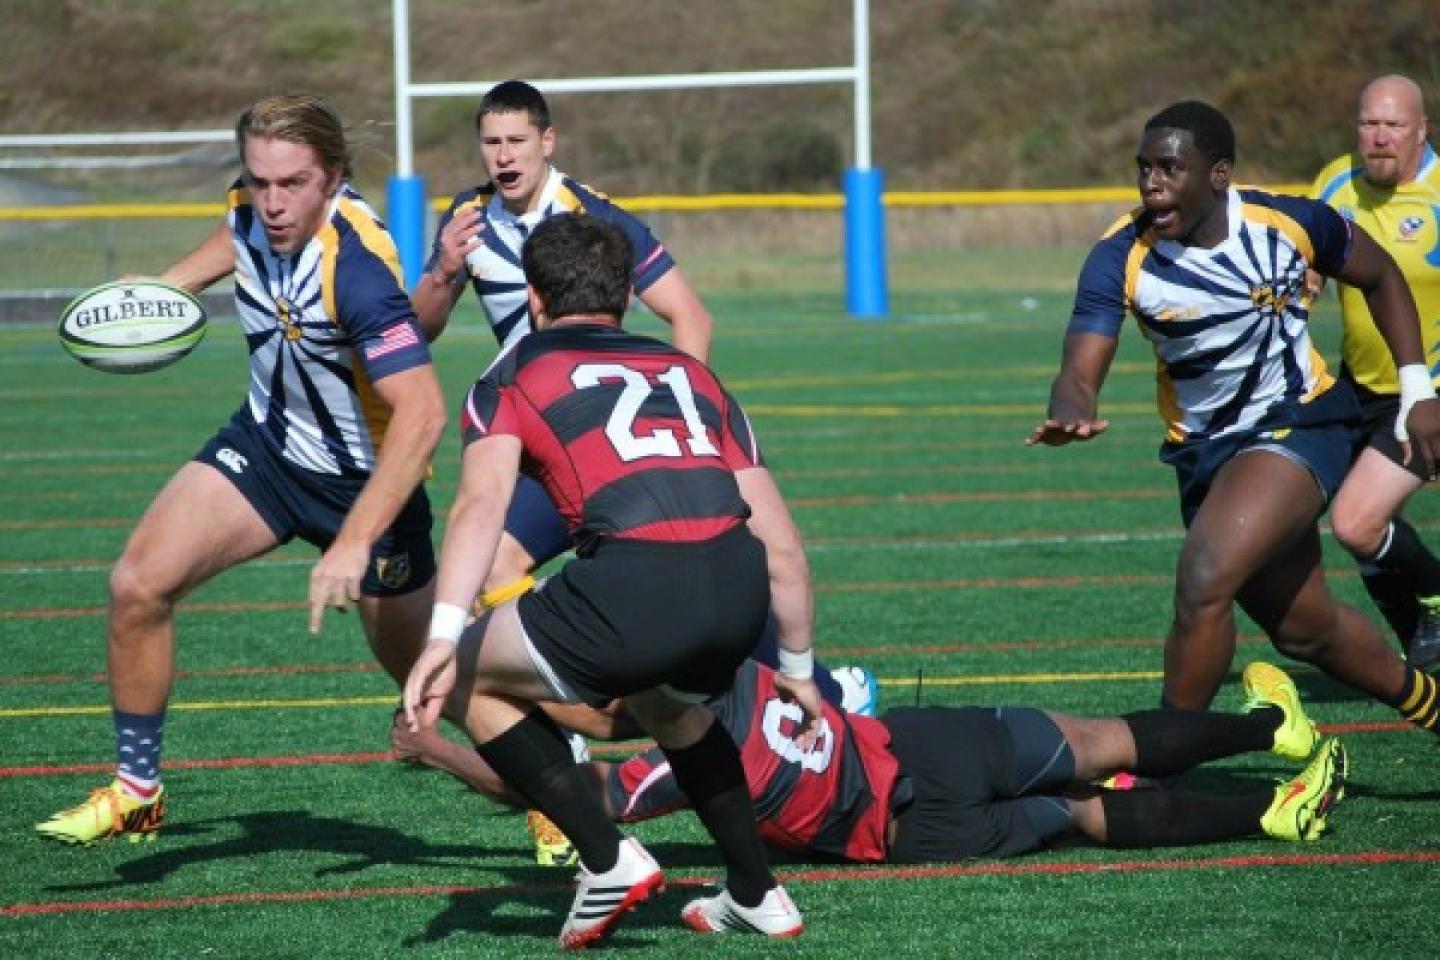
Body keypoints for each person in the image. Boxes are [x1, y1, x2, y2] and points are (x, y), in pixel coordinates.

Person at [35, 94, 448, 845]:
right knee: (136, 585)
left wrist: (355, 542)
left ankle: (556, 780)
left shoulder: (359, 270)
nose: (273, 201)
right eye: (260, 181)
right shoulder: (250, 208)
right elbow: (234, 239)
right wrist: (158, 298)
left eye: (292, 185)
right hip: (265, 450)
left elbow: (423, 416)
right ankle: (137, 790)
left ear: (333, 178)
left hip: (366, 485)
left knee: (434, 678)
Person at [402, 213, 822, 946]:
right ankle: (757, 893)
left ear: (533, 298)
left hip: (638, 588)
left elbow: (478, 507)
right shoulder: (695, 375)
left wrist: (442, 636)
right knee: (669, 705)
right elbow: (780, 542)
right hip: (738, 593)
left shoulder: (511, 374)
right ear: (628, 294)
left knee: (464, 678)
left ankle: (607, 859)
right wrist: (798, 667)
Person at [1027, 101, 1440, 734]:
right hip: (1205, 453)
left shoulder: (1290, 222)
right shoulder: (1120, 256)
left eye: (1169, 168)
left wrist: (1418, 392)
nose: (1150, 184)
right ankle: (1431, 704)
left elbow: (1381, 275)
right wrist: (1070, 409)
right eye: (1143, 169)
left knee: (1205, 577)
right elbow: (1080, 371)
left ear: (1219, 175)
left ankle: (1161, 757)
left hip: (1299, 424)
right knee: (1308, 632)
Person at [408, 658, 1348, 862]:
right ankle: (1280, 735)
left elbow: (560, 786)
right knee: (1107, 743)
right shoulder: (733, 654)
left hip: (911, 831)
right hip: (917, 746)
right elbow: (620, 709)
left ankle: (1271, 815)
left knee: (1085, 815)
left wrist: (444, 746)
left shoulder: (675, 772)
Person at [409, 79, 714, 601]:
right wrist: (442, 272)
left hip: (595, 431)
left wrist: (674, 416)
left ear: (546, 142)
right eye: (492, 143)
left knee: (662, 566)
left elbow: (691, 317)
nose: (503, 156)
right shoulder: (468, 216)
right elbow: (420, 330)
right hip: (524, 432)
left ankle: (814, 681)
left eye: (517, 141)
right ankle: (586, 661)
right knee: (484, 570)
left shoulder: (594, 216)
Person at [1311, 75, 1440, 670]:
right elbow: (1307, 277)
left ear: (1422, 131)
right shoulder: (1336, 183)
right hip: (1356, 387)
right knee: (1363, 533)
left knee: (1357, 524)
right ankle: (1423, 640)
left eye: (1393, 125)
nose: (1379, 137)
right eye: (1369, 123)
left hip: (1428, 393)